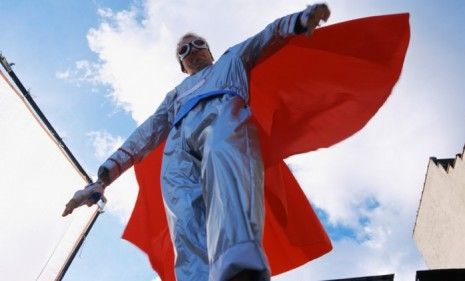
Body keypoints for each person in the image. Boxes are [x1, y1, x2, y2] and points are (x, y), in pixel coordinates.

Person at [63, 4, 331, 281]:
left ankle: (238, 263)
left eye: (197, 43)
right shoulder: (174, 95)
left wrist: (299, 20)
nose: (192, 49)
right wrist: (103, 178)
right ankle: (197, 277)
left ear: (210, 50)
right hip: (180, 138)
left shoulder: (232, 59)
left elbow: (265, 37)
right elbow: (149, 131)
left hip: (224, 115)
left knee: (225, 165)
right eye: (184, 49)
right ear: (182, 66)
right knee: (184, 211)